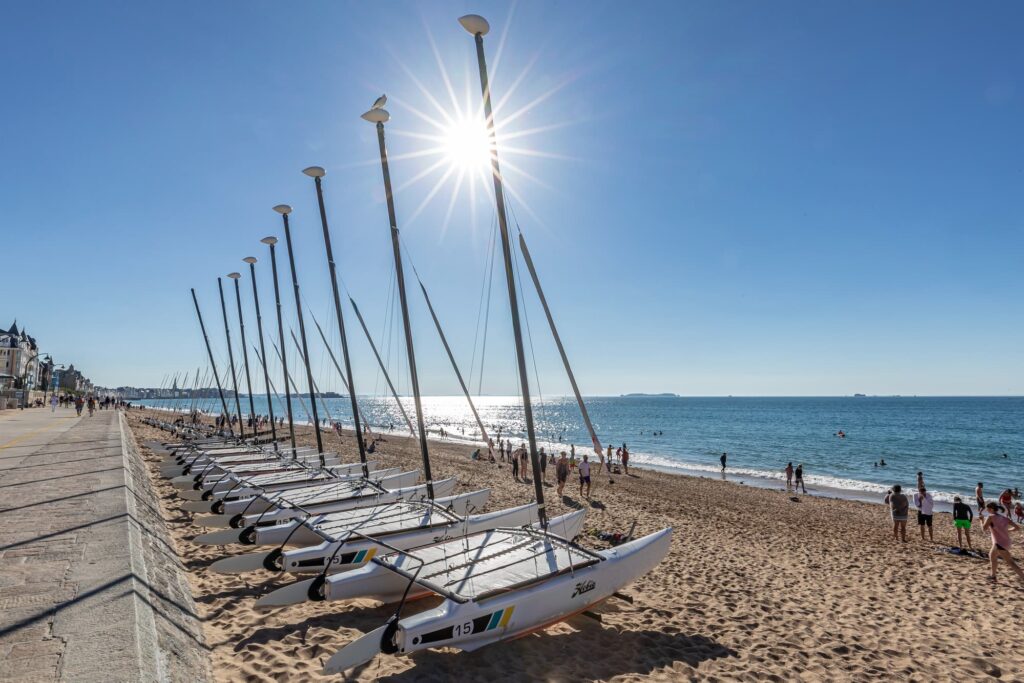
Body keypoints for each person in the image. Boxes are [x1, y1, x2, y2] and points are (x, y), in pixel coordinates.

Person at [982, 502, 1024, 584]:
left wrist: (981, 520)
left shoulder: (990, 517)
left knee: (1010, 562)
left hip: (999, 543)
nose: (986, 510)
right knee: (992, 556)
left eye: (987, 508)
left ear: (991, 509)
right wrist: (1007, 530)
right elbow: (1017, 527)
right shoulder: (1004, 518)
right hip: (1006, 542)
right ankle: (993, 576)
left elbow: (984, 529)